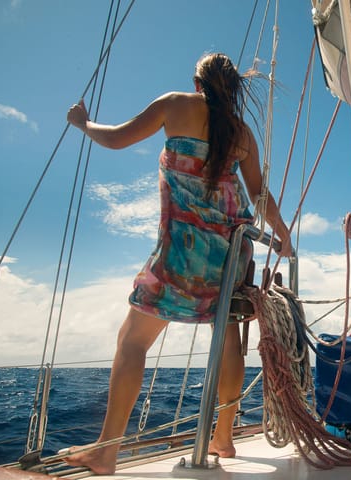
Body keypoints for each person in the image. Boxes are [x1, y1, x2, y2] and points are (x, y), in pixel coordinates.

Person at [62, 52, 292, 475]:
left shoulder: (175, 105)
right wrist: (284, 236)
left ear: (197, 82)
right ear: (233, 88)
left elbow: (114, 138)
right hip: (230, 254)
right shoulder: (241, 133)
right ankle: (223, 436)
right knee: (227, 336)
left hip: (183, 254)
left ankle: (107, 450)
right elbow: (260, 197)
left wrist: (82, 123)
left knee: (131, 342)